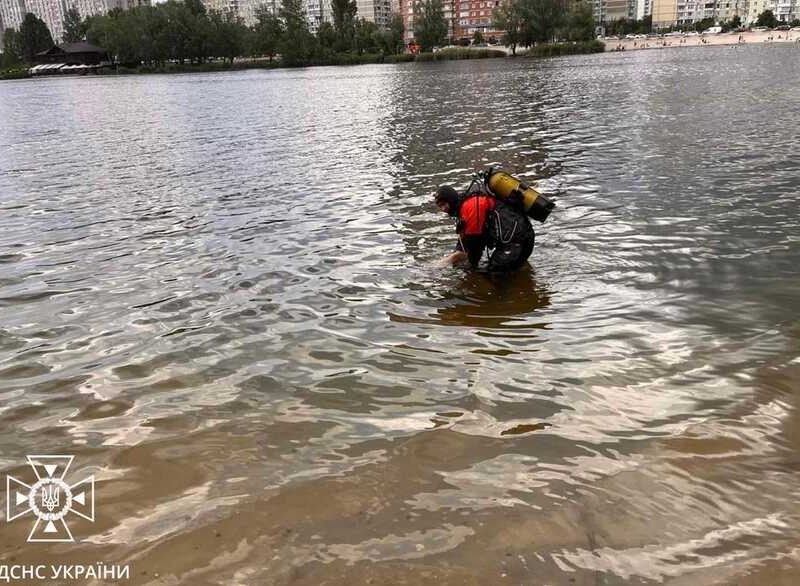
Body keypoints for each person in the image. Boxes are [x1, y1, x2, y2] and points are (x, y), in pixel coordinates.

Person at [435, 184, 535, 271]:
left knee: (495, 276)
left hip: (516, 241)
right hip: (522, 236)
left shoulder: (469, 207)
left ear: (451, 200)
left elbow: (469, 245)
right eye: (440, 207)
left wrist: (442, 264)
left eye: (444, 204)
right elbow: (471, 243)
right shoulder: (465, 206)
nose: (443, 209)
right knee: (509, 271)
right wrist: (471, 264)